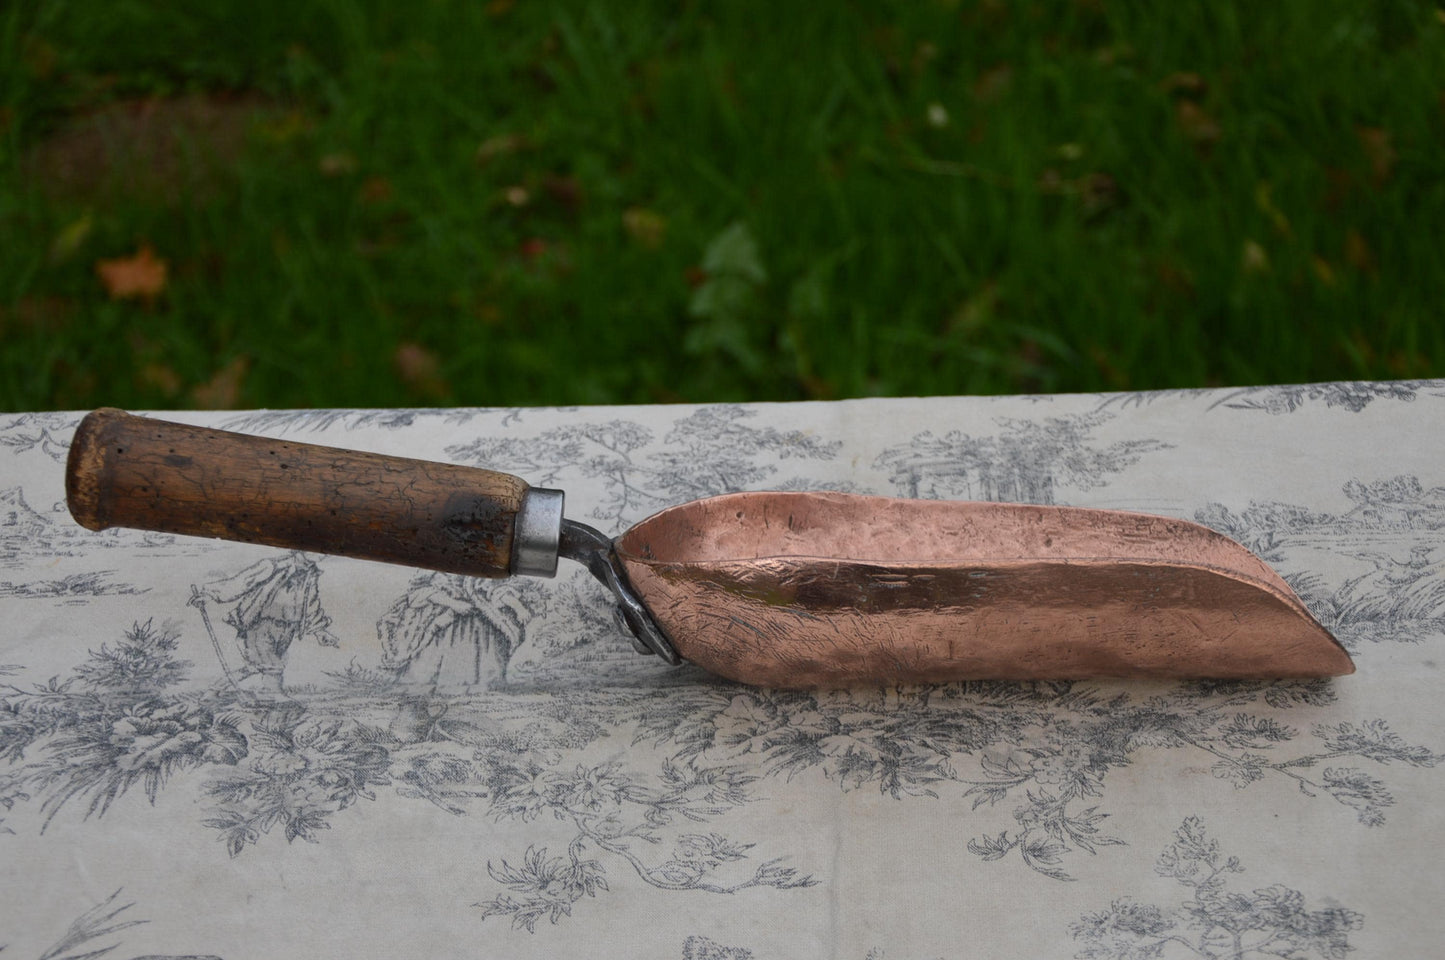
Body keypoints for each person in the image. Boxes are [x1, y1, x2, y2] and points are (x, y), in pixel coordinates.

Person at [193, 551, 337, 692]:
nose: (323, 553)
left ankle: (214, 689)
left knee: (256, 665)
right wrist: (210, 594)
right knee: (271, 665)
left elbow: (310, 604)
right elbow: (242, 582)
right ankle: (275, 696)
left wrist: (319, 631)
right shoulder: (273, 566)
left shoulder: (311, 575)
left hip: (288, 629)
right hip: (261, 624)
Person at [377, 572, 528, 690]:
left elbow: (497, 591)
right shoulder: (434, 569)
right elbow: (419, 593)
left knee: (486, 668)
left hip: (479, 621)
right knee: (426, 673)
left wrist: (518, 607)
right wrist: (453, 604)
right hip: (443, 619)